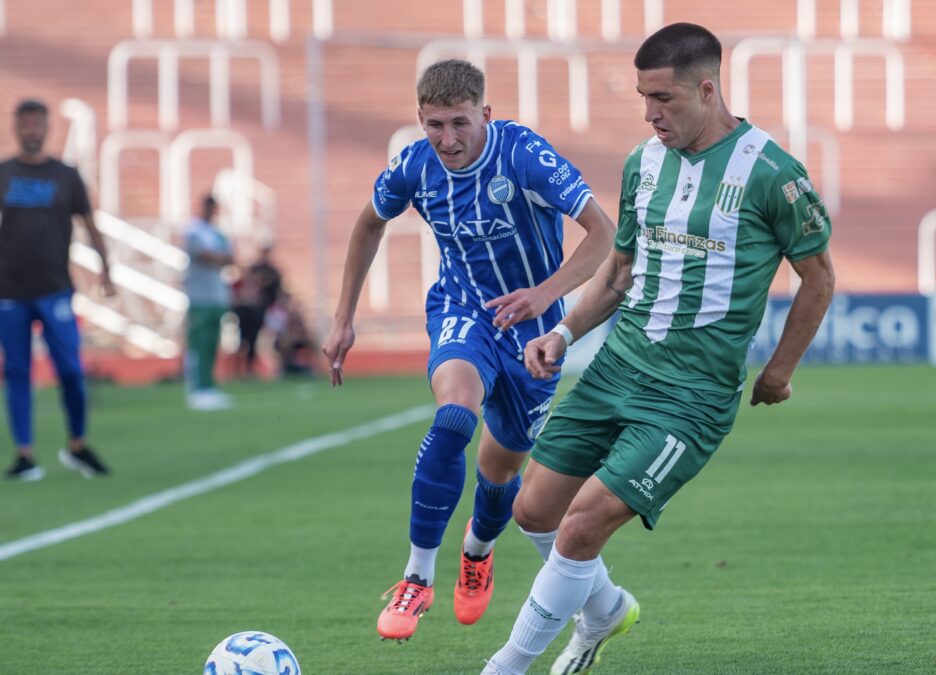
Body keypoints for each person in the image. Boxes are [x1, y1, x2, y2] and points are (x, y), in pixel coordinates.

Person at [482, 23, 836, 674]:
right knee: (532, 508)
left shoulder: (771, 174)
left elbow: (818, 276)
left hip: (689, 397)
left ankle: (504, 666)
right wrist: (562, 334)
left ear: (707, 89)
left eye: (663, 98)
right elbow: (618, 271)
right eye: (643, 97)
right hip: (619, 369)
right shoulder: (643, 164)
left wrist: (780, 369)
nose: (650, 113)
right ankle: (606, 607)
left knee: (581, 526)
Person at [322, 59, 615, 641]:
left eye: (459, 123)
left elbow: (602, 232)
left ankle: (477, 553)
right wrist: (343, 318)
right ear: (420, 120)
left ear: (485, 113)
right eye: (434, 125)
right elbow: (367, 224)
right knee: (455, 415)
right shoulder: (414, 164)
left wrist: (545, 294)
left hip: (535, 333)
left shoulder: (523, 155)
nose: (447, 139)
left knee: (499, 471)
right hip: (463, 313)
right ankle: (416, 576)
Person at [0, 98, 114, 481]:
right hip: (9, 292)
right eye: (25, 124)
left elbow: (90, 223)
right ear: (16, 128)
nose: (31, 130)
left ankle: (78, 444)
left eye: (37, 124)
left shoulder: (66, 176)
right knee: (17, 371)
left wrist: (106, 270)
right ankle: (25, 454)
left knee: (70, 369)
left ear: (47, 128)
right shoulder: (4, 174)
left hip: (55, 289)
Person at [183, 194, 235, 411]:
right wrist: (218, 257)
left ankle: (209, 386)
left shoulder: (217, 234)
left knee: (212, 344)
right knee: (198, 345)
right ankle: (196, 389)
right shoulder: (193, 231)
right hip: (198, 296)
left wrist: (217, 257)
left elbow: (230, 258)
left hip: (217, 296)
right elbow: (205, 256)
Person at [231, 243, 282, 376]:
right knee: (243, 340)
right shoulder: (254, 269)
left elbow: (275, 292)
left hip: (259, 310)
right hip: (246, 310)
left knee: (253, 339)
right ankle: (238, 368)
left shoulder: (272, 271)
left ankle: (248, 368)